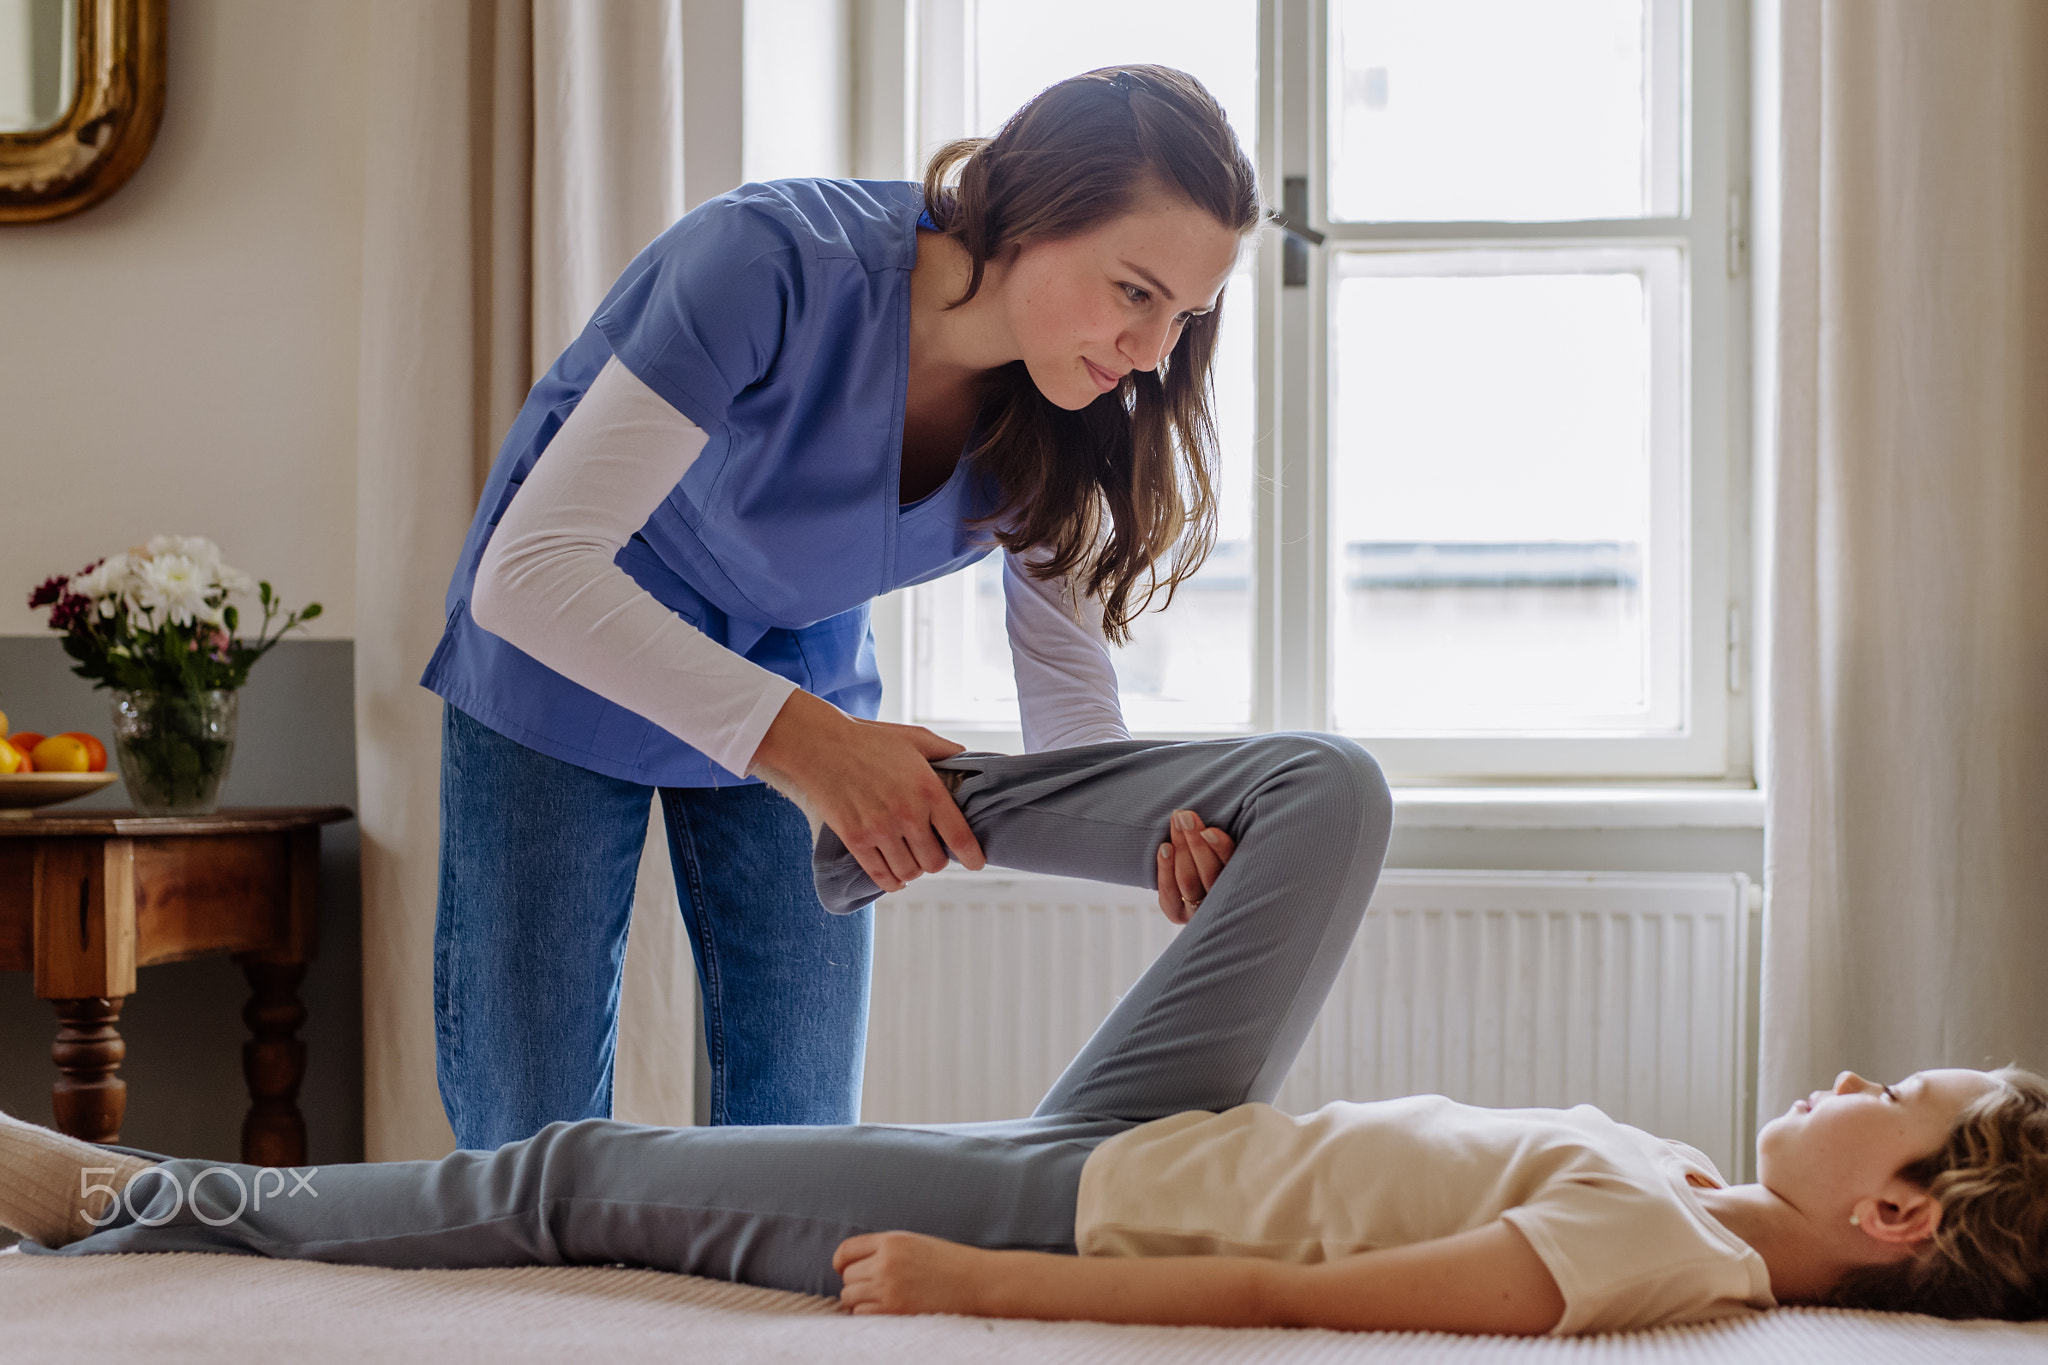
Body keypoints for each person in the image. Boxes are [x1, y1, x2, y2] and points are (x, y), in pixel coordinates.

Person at [7, 734, 2046, 1335]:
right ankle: (888, 804)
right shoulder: (1688, 1191)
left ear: (1887, 1215)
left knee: (583, 1175)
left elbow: (1321, 1295)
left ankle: (137, 1194)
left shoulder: (1671, 1255)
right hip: (1167, 1120)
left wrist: (996, 1273)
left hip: (1081, 1198)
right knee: (1318, 791)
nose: (1856, 1074)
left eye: (1896, 1101)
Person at [419, 64, 1262, 1147]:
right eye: (1134, 293)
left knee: (801, 1136)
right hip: (568, 648)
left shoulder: (1066, 410)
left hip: (796, 670)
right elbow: (532, 573)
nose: (1152, 356)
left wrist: (1149, 827)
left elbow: (1067, 704)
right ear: (1027, 212)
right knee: (522, 1129)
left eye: (1184, 318)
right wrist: (814, 749)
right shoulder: (765, 263)